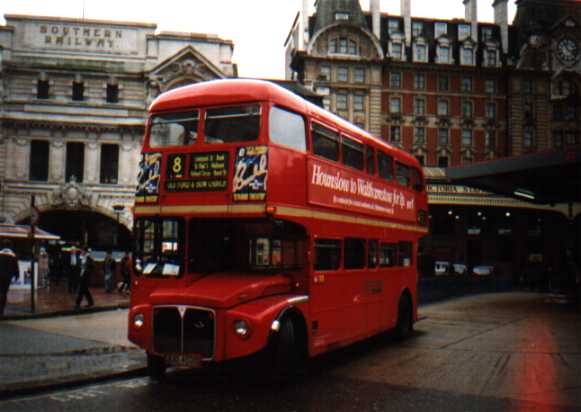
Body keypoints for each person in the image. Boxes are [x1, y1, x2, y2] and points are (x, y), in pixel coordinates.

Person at [0, 239, 20, 316]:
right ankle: (1, 310)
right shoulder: (13, 255)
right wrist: (17, 276)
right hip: (7, 277)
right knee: (4, 293)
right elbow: (16, 267)